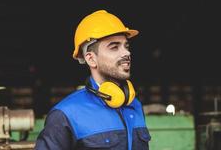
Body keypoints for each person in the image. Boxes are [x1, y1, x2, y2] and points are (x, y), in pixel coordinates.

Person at [35, 10, 151, 150]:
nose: (127, 53)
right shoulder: (66, 114)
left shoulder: (134, 105)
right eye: (114, 47)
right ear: (91, 59)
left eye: (126, 46)